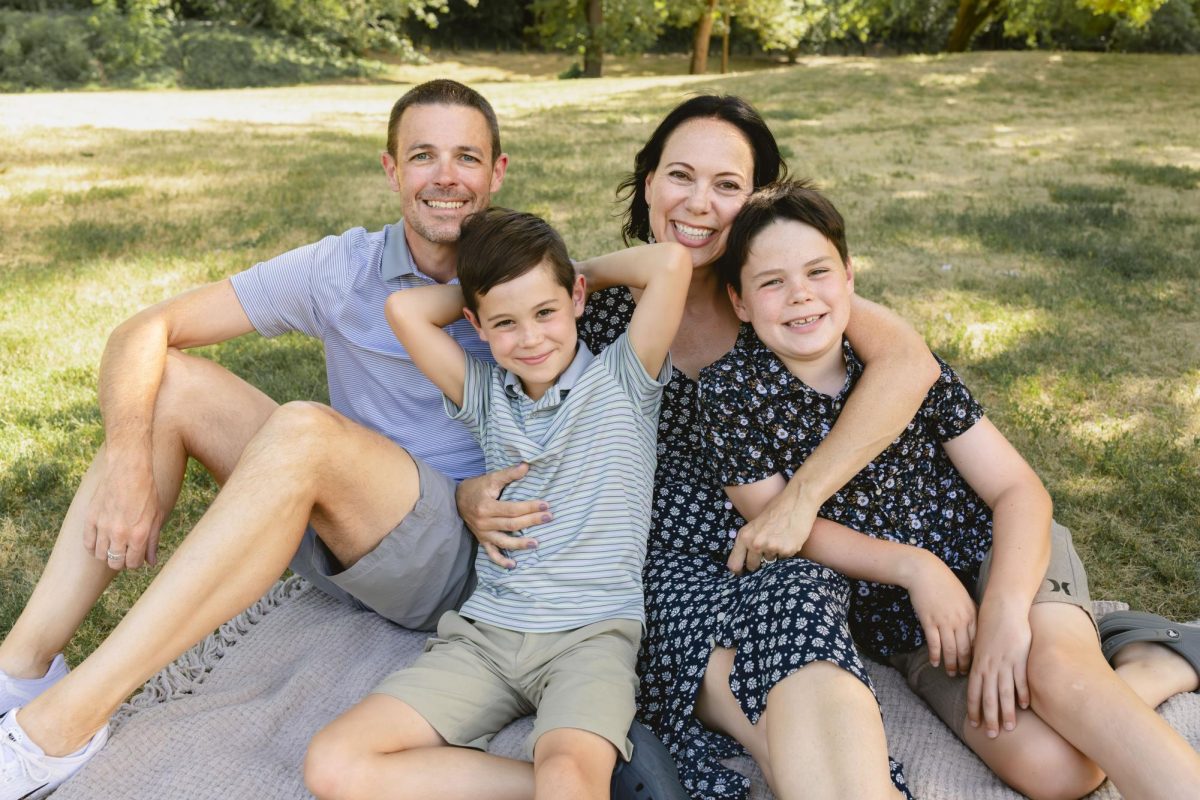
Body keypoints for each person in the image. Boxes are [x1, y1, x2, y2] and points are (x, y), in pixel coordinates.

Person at [0, 80, 675, 800]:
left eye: (466, 158)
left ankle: (63, 726)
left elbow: (635, 318)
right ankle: (22, 671)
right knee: (171, 385)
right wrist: (131, 457)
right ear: (390, 170)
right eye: (422, 156)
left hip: (473, 557)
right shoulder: (341, 268)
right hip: (346, 519)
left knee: (305, 432)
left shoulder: (522, 294)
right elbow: (144, 329)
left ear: (496, 172)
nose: (445, 177)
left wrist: (528, 280)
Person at [458, 95, 941, 800]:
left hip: (773, 542)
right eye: (679, 176)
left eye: (727, 186)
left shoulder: (776, 295)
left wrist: (800, 501)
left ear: (756, 202)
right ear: (648, 181)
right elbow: (519, 423)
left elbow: (911, 363)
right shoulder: (591, 313)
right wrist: (559, 276)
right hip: (646, 564)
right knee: (760, 704)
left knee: (800, 609)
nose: (699, 203)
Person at [700, 178, 1200, 800]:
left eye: (817, 271)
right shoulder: (728, 394)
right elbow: (782, 525)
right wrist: (917, 570)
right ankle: (1151, 660)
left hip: (1007, 558)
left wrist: (1007, 613)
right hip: (912, 624)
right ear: (740, 301)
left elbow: (1019, 490)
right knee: (1056, 771)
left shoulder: (901, 367)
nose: (799, 295)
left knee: (1054, 672)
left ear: (850, 276)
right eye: (771, 282)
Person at [304, 208, 690, 800]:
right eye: (504, 322)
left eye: (546, 311)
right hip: (485, 637)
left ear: (576, 298)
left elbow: (670, 261)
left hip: (589, 638)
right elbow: (404, 310)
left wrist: (566, 268)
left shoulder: (624, 378)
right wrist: (495, 287)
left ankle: (572, 782)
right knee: (334, 764)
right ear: (476, 325)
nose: (531, 338)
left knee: (568, 774)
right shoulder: (484, 396)